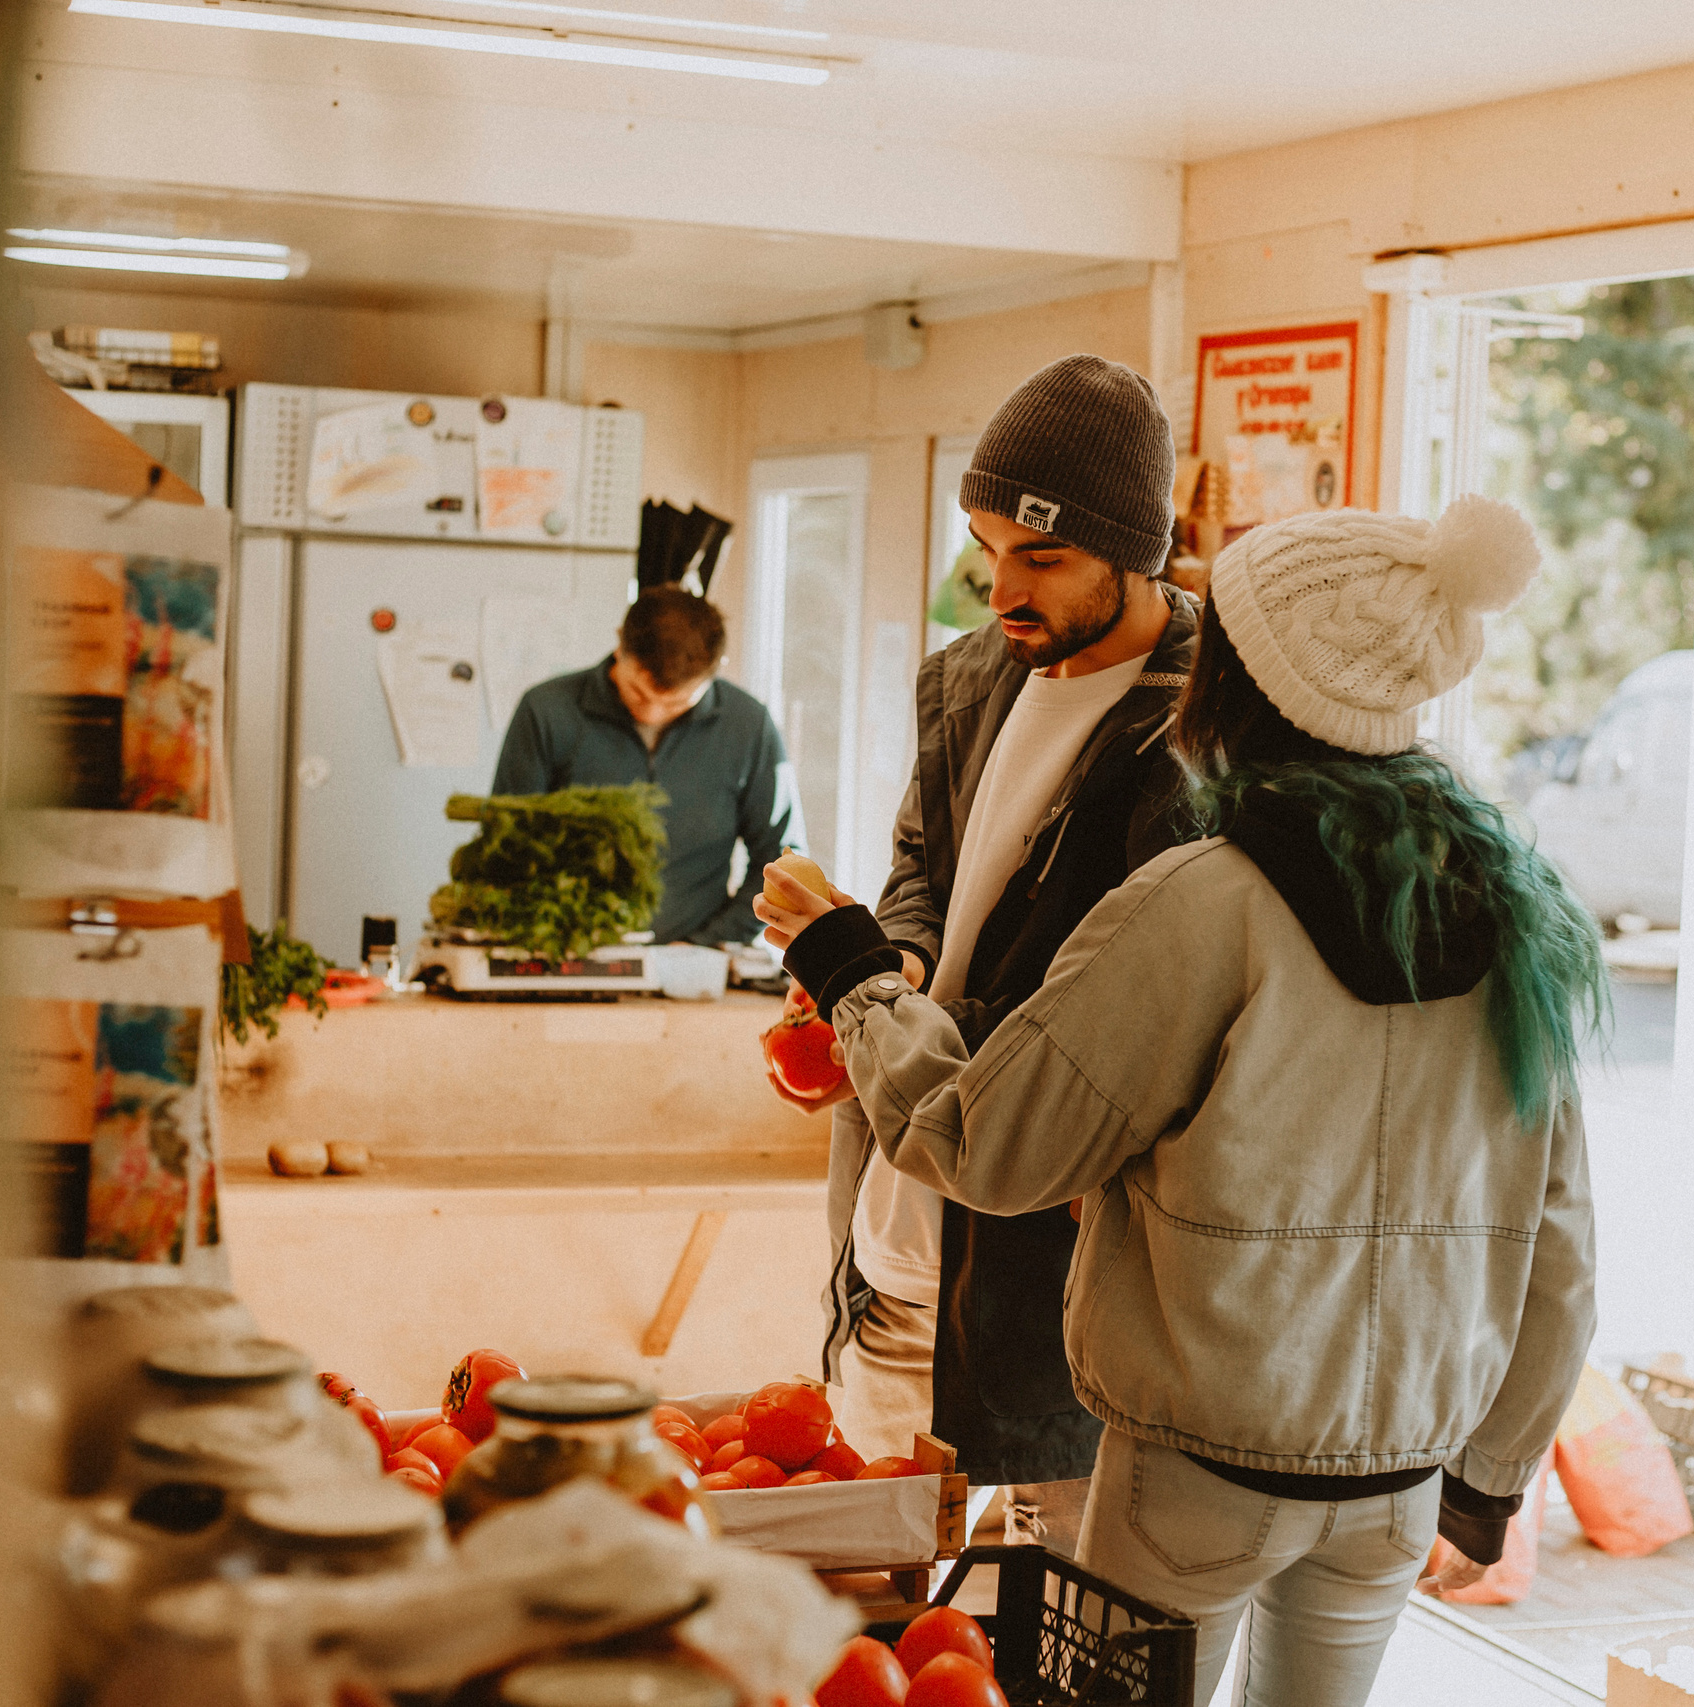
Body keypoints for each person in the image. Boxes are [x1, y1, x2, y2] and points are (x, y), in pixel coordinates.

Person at [759, 496, 1606, 1707]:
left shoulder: (1204, 900)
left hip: (1197, 1476)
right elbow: (1559, 1235)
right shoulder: (1517, 912)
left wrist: (848, 971)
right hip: (1402, 1481)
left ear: (1244, 686)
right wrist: (1492, 1475)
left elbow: (989, 1144)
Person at [773, 354, 1201, 1552]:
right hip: (892, 1233)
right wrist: (893, 962)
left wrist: (856, 976)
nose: (998, 587)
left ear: (1135, 550)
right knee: (873, 1597)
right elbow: (923, 864)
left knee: (1049, 1619)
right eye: (985, 545)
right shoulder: (967, 678)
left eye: (1041, 558)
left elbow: (1119, 1001)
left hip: (1043, 1275)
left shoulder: (1197, 732)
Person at [492, 585, 799, 948]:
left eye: (676, 704)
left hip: (695, 963)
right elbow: (507, 846)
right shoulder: (546, 711)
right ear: (620, 646)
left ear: (715, 673)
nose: (651, 712)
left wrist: (709, 943)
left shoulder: (749, 725)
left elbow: (781, 864)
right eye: (638, 693)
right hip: (565, 954)